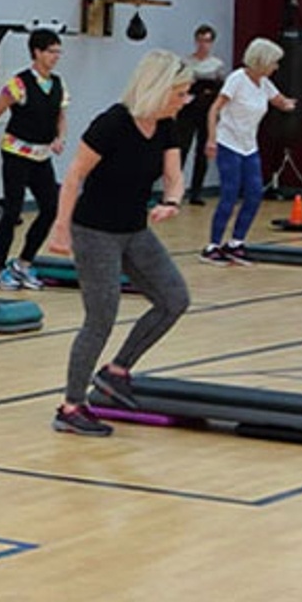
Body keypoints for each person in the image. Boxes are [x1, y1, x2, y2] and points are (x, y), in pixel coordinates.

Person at [46, 49, 192, 437]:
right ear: (159, 88)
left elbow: (174, 176)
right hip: (94, 232)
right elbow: (74, 176)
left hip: (135, 230)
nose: (185, 99)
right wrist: (61, 228)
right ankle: (71, 406)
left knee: (174, 299)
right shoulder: (111, 124)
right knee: (101, 317)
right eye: (180, 92)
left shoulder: (166, 125)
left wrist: (172, 202)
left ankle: (116, 371)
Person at [0, 29, 68, 291]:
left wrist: (60, 138)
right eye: (51, 51)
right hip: (16, 153)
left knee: (50, 208)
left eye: (58, 51)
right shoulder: (19, 84)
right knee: (13, 210)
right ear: (37, 52)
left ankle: (23, 263)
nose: (56, 56)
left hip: (41, 154)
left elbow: (60, 116)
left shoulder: (58, 84)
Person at [200, 37, 296, 266]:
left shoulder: (263, 83)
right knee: (230, 194)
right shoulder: (237, 80)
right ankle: (212, 246)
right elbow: (214, 109)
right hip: (228, 143)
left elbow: (279, 101)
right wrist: (211, 140)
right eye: (274, 62)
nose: (276, 67)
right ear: (262, 61)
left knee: (254, 193)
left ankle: (236, 242)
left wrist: (289, 104)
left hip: (249, 146)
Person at [177, 24, 225, 205]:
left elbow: (219, 89)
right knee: (182, 149)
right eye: (200, 40)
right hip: (188, 111)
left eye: (207, 41)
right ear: (195, 41)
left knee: (203, 152)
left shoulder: (217, 65)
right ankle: (176, 190)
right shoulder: (186, 62)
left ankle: (196, 192)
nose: (203, 44)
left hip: (206, 112)